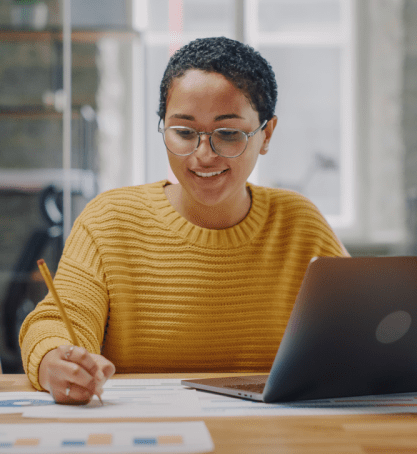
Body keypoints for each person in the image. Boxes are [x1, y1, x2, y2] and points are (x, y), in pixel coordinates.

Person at [19, 36, 349, 404]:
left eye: (227, 134)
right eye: (184, 132)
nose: (203, 155)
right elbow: (54, 322)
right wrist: (56, 360)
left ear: (266, 134)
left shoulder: (300, 224)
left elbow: (360, 334)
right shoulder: (110, 220)